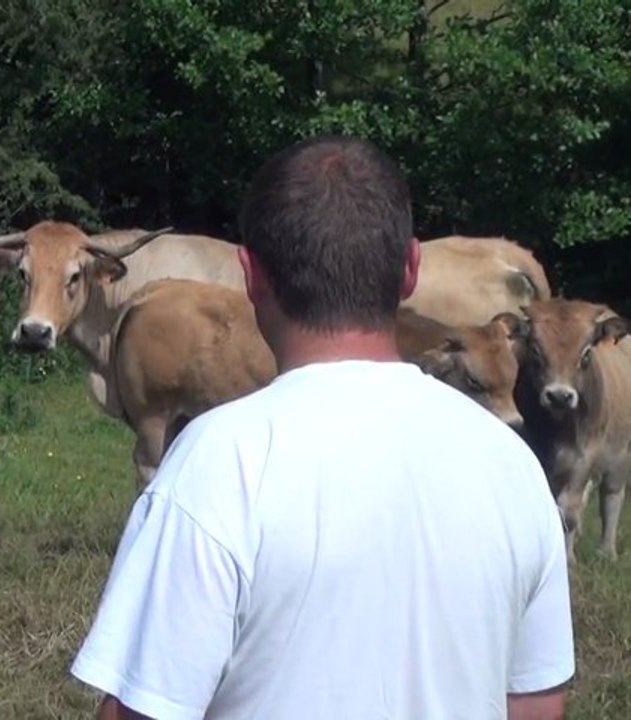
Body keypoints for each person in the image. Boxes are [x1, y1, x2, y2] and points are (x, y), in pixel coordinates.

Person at [69, 135, 574, 720]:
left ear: (250, 276)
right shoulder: (512, 466)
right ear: (411, 269)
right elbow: (536, 703)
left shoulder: (218, 462)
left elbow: (142, 708)